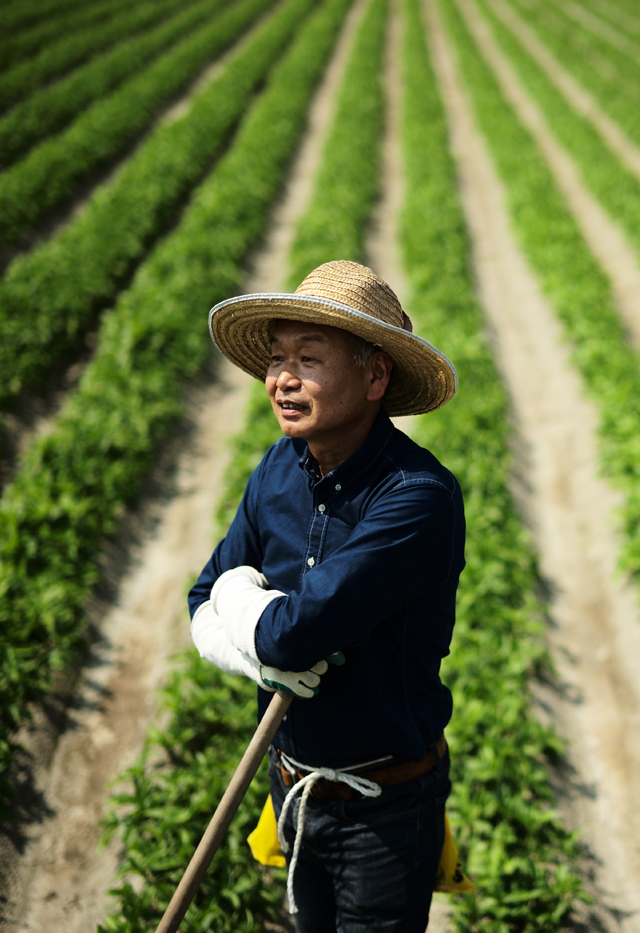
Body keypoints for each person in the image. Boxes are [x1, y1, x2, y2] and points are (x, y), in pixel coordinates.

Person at [188, 260, 463, 932]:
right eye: (277, 358)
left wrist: (245, 607)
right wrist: (251, 649)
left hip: (386, 813)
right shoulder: (277, 468)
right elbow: (202, 595)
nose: (282, 379)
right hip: (293, 790)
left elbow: (291, 633)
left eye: (309, 359)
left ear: (375, 377)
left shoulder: (416, 500)